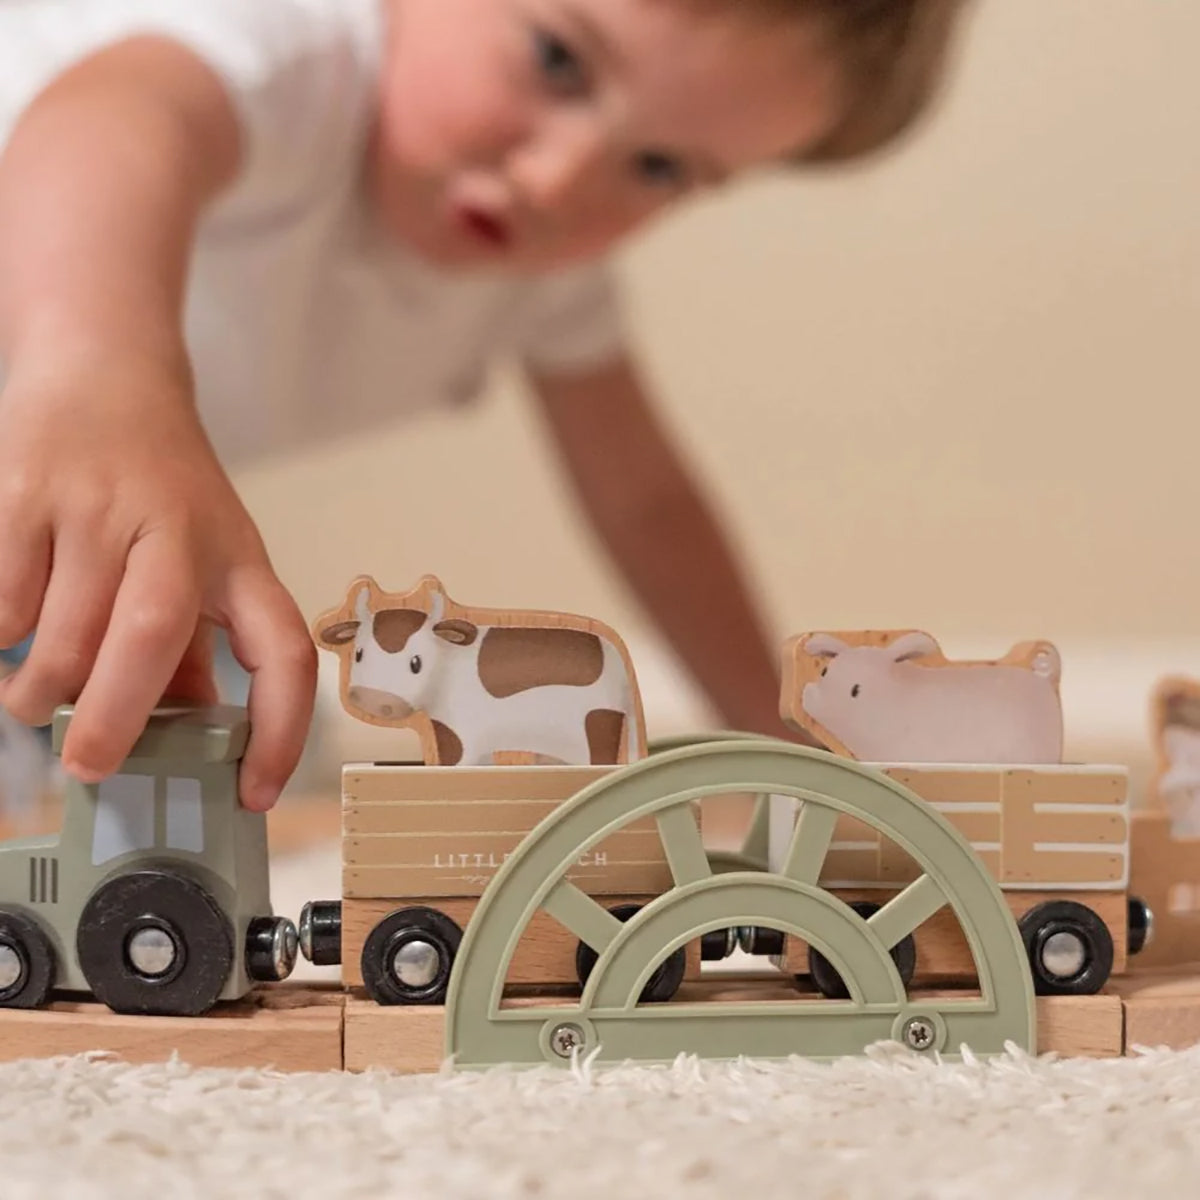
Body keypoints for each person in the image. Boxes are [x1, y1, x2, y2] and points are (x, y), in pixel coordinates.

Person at [0, 0, 968, 811]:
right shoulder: (288, 45)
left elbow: (647, 504)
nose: (555, 181)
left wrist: (783, 751)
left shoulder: (539, 276)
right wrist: (100, 375)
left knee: (243, 739)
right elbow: (109, 123)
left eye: (660, 169)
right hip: (49, 444)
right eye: (558, 61)